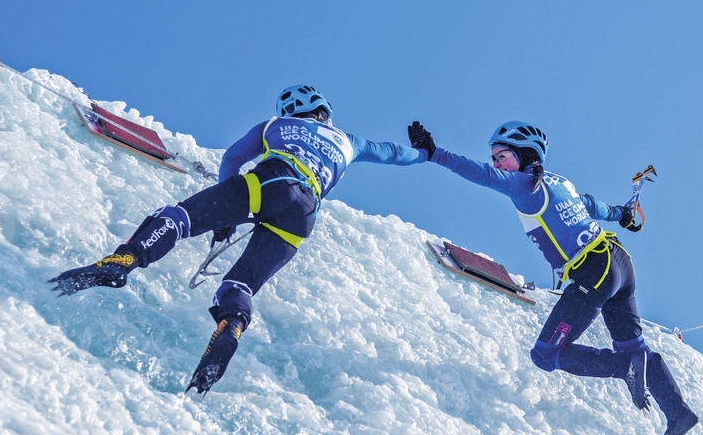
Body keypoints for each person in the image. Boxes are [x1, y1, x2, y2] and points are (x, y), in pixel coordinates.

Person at [49, 85, 426, 394]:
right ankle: (231, 325)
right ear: (324, 111)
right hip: (305, 214)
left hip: (273, 179)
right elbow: (395, 153)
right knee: (239, 283)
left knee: (178, 218)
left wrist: (225, 217)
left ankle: (124, 262)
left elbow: (232, 159)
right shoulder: (351, 141)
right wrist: (424, 151)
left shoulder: (275, 124)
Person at [407, 120, 698, 435]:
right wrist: (622, 215)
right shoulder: (562, 183)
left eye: (501, 155)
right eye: (494, 157)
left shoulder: (524, 186)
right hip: (619, 262)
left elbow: (479, 175)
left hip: (594, 269)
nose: (495, 163)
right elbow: (593, 206)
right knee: (634, 346)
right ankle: (678, 413)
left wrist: (435, 153)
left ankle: (623, 368)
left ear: (524, 154)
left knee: (546, 354)